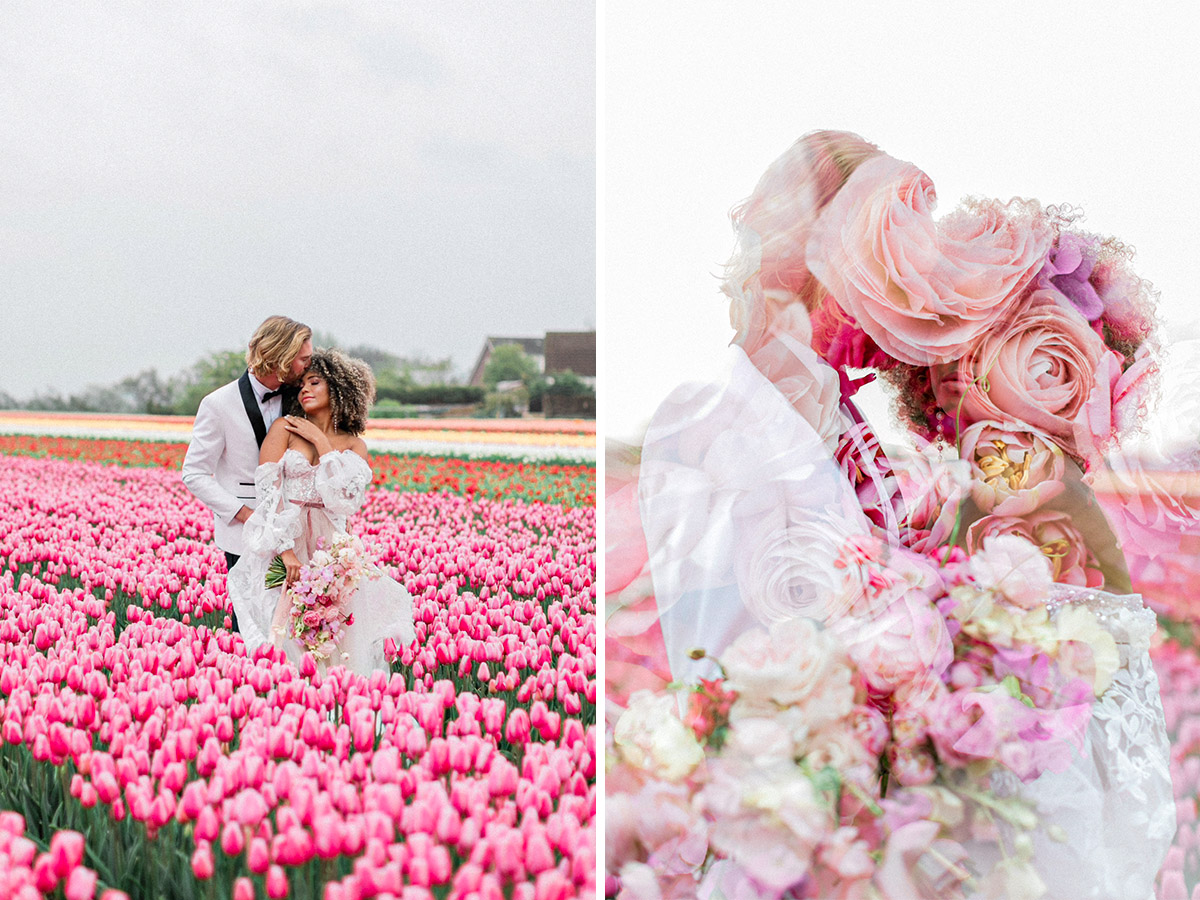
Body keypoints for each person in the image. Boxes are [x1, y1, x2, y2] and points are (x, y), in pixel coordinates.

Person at [610, 131, 1176, 898]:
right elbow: (718, 655)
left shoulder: (845, 421)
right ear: (822, 256)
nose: (922, 295)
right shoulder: (715, 417)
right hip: (803, 821)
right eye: (895, 259)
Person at [225, 348, 415, 675]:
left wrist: (321, 443)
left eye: (314, 382)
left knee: (337, 633)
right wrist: (286, 553)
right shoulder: (284, 428)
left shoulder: (354, 445)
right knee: (284, 630)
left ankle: (334, 710)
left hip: (332, 550)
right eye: (301, 385)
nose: (304, 390)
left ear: (338, 388)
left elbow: (344, 500)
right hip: (286, 542)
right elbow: (269, 495)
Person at [182, 315, 313, 631]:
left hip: (299, 535)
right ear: (281, 356)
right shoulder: (218, 404)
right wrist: (244, 514)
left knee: (299, 632)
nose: (309, 366)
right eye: (303, 359)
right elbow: (194, 473)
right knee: (251, 631)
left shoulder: (303, 397)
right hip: (245, 537)